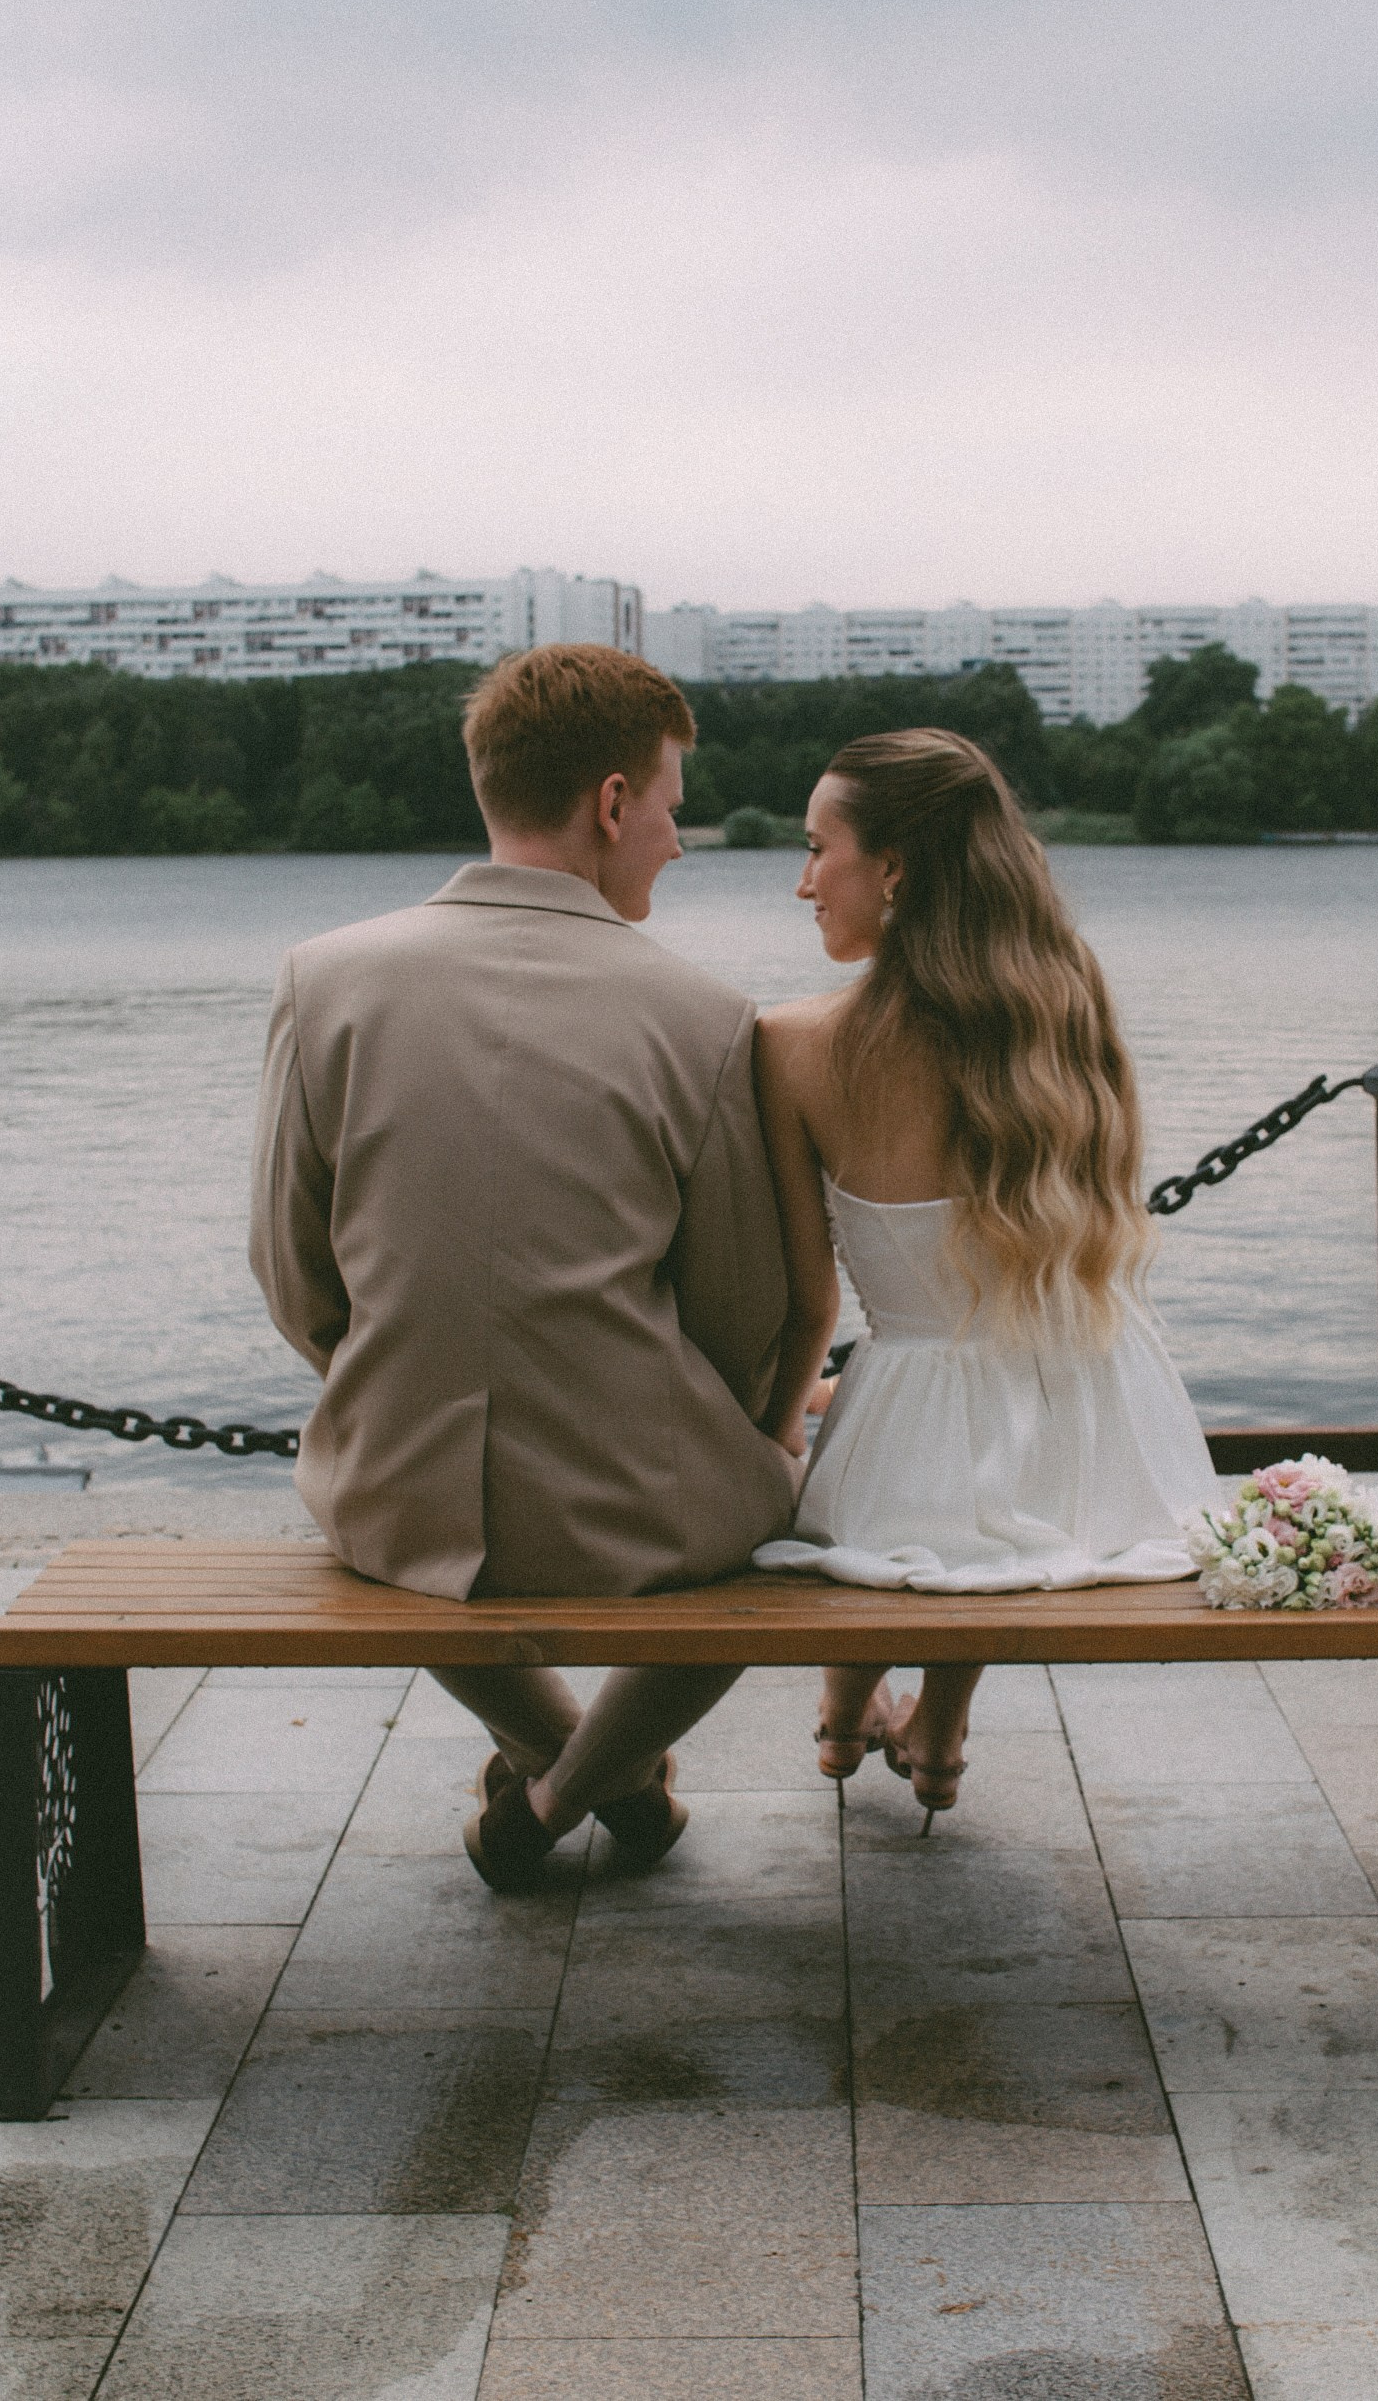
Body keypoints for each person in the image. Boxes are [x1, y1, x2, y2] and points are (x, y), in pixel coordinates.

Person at [250, 643, 798, 1890]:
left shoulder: (323, 981)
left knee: (387, 1535)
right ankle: (572, 1784)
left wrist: (383, 1370)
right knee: (779, 1512)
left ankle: (554, 1772)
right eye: (668, 801)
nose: (675, 835)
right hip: (641, 1505)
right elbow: (741, 1312)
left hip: (397, 1493)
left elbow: (289, 1265)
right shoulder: (704, 1015)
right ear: (611, 801)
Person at [751, 728, 1218, 1823]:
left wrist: (778, 1427)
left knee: (898, 1485)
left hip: (904, 1406)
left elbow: (807, 1301)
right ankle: (942, 1730)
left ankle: (840, 1712)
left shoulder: (791, 1042)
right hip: (1091, 1401)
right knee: (993, 1496)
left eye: (820, 848)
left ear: (895, 867)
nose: (801, 879)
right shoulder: (1059, 1008)